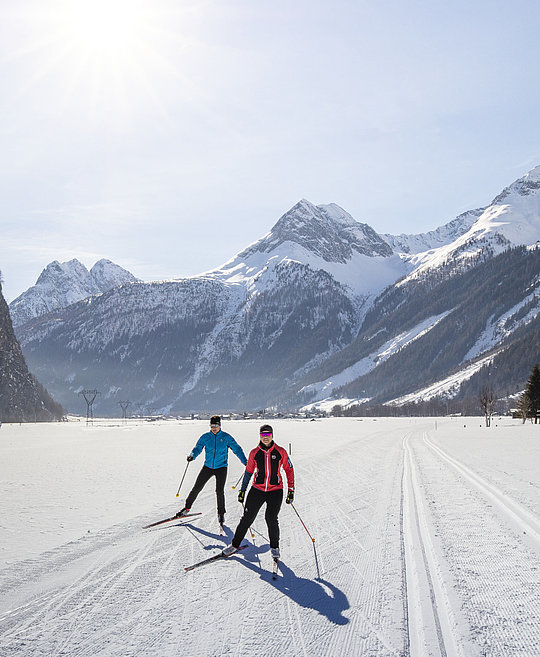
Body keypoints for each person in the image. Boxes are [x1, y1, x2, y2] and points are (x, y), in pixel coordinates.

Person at [222, 424, 294, 559]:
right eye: (263, 435)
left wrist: (291, 490)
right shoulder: (254, 453)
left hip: (275, 490)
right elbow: (248, 472)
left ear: (272, 435)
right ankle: (234, 545)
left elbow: (289, 470)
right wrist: (242, 490)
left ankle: (274, 547)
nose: (265, 437)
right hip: (257, 490)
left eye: (268, 434)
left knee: (271, 518)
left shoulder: (280, 452)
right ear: (260, 436)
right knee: (247, 518)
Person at [176, 415, 247, 525]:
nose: (214, 428)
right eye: (212, 425)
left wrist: (245, 462)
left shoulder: (226, 437)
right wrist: (192, 455)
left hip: (221, 468)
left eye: (216, 425)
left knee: (219, 491)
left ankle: (221, 514)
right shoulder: (205, 437)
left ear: (220, 425)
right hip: (208, 467)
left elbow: (237, 449)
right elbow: (197, 448)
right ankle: (187, 508)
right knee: (196, 488)